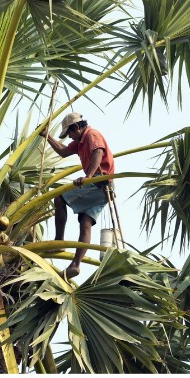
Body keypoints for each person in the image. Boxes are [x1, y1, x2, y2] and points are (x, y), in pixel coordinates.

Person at [39, 112, 115, 279]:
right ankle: (75, 265)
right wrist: (46, 135)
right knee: (85, 223)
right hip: (104, 189)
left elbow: (98, 153)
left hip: (98, 182)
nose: (70, 138)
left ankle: (59, 241)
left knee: (59, 197)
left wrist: (88, 177)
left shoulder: (91, 134)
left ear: (76, 127)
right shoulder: (79, 142)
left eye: (70, 133)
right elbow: (63, 151)